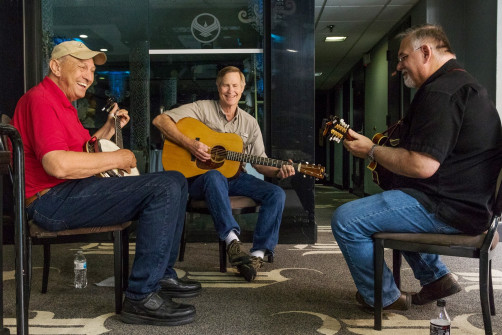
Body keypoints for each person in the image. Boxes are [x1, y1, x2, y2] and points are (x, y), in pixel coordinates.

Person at [11, 40, 202, 326]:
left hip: (64, 193)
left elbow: (81, 152)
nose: (89, 75)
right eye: (81, 66)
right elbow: (58, 164)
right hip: (50, 201)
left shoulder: (60, 102)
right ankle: (140, 297)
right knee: (167, 185)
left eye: (91, 70)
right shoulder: (41, 100)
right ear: (55, 66)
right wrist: (118, 159)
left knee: (175, 181)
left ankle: (159, 274)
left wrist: (110, 128)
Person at [331, 24, 502, 311]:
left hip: (450, 209)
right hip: (469, 204)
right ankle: (436, 277)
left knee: (347, 220)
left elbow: (421, 166)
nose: (398, 67)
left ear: (425, 52)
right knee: (390, 206)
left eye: (402, 58)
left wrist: (371, 149)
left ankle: (383, 297)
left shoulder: (442, 93)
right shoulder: (462, 84)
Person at [153, 66, 295, 282]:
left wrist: (279, 170)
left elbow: (260, 162)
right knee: (215, 176)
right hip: (200, 180)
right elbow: (160, 121)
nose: (231, 91)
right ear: (218, 87)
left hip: (237, 178)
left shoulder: (249, 122)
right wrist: (190, 144)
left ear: (243, 87)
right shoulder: (202, 109)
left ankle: (256, 256)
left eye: (235, 85)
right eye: (226, 85)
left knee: (276, 194)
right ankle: (232, 242)